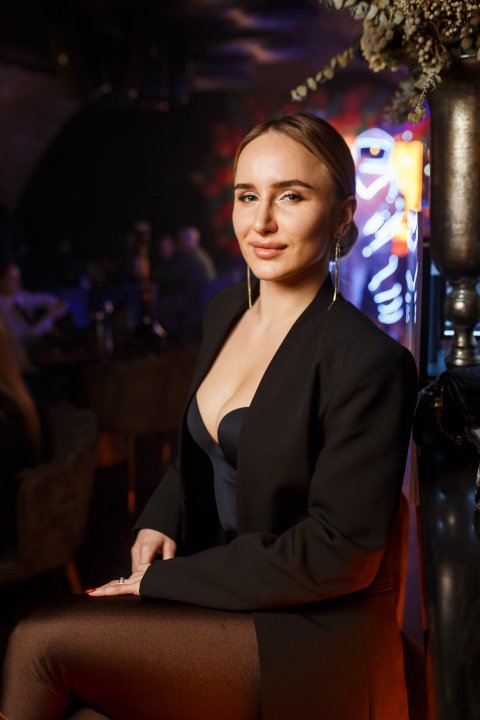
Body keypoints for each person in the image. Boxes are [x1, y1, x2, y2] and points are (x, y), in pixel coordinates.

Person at [1, 114, 418, 720]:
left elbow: (338, 553)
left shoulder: (370, 362)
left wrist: (160, 583)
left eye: (291, 196)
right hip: (222, 596)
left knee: (38, 644)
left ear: (342, 215)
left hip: (307, 632)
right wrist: (160, 517)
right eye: (247, 195)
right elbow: (204, 446)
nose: (261, 222)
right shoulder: (226, 310)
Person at [0, 262, 69, 372]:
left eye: (19, 278)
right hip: (19, 352)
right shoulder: (3, 307)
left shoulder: (21, 297)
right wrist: (49, 318)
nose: (18, 282)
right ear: (2, 281)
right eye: (13, 279)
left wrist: (55, 304)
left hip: (34, 344)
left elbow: (45, 298)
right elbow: (23, 337)